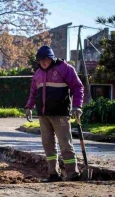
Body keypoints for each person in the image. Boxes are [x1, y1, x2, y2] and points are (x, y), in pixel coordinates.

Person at [25, 46, 84, 182]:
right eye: (40, 60)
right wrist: (29, 106)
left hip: (61, 114)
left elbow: (78, 87)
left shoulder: (65, 69)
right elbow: (33, 92)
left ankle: (72, 174)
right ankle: (53, 174)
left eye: (45, 59)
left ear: (51, 58)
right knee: (48, 145)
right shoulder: (38, 73)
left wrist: (77, 106)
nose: (43, 62)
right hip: (44, 115)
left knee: (65, 144)